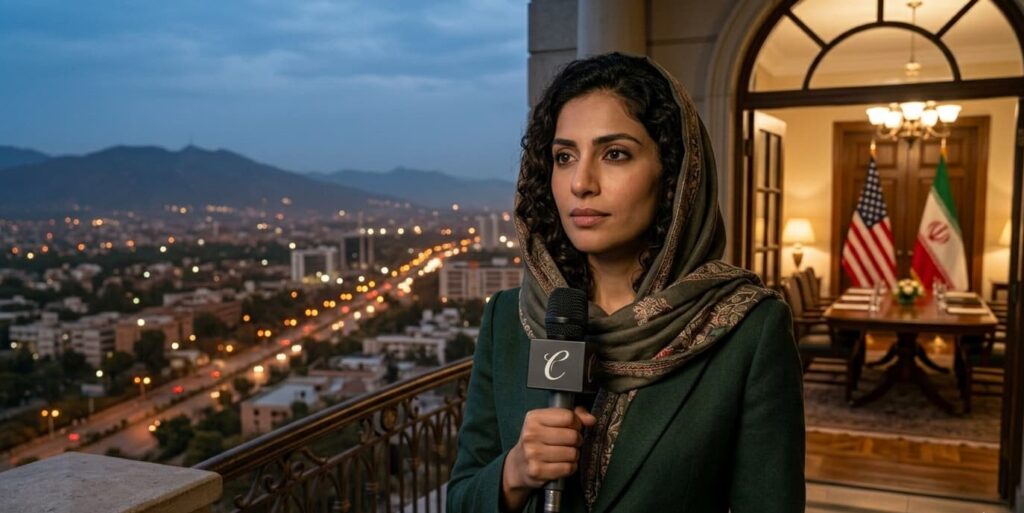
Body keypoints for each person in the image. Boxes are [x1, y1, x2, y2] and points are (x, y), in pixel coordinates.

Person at [447, 52, 805, 513]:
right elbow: (461, 497)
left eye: (614, 154)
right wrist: (514, 473)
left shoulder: (748, 330)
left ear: (673, 175)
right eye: (564, 157)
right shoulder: (509, 318)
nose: (581, 183)